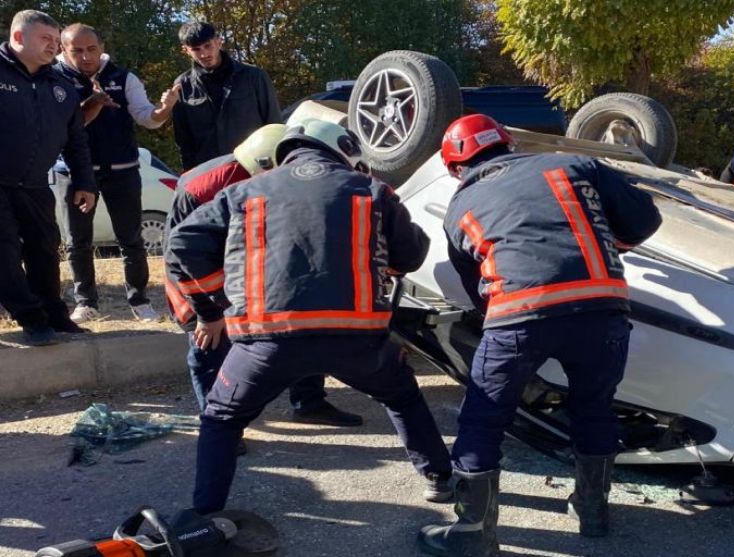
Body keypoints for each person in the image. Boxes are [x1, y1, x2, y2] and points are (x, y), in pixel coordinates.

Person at [165, 120, 452, 514]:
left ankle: (204, 516)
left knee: (221, 419)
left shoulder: (241, 192)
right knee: (402, 397)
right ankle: (439, 478)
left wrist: (212, 305)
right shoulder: (371, 191)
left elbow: (180, 245)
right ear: (346, 153)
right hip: (357, 339)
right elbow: (411, 255)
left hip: (266, 340)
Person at [418, 115, 662, 556]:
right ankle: (593, 513)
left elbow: (477, 288)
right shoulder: (571, 165)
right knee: (593, 408)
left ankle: (473, 534)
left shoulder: (460, 207)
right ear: (508, 143)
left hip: (518, 315)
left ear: (456, 167)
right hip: (602, 308)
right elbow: (644, 220)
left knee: (484, 418)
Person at [164, 123, 363, 440]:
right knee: (208, 345)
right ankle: (219, 425)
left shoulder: (283, 178)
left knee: (301, 328)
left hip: (251, 267)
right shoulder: (202, 189)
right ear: (267, 164)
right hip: (199, 272)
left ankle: (309, 403)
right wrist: (208, 313)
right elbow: (180, 255)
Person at [54, 23, 181, 323]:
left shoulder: (124, 78)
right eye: (77, 51)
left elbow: (148, 118)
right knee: (77, 241)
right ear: (63, 50)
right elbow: (57, 130)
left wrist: (164, 109)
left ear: (101, 47)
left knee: (131, 239)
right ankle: (86, 302)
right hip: (72, 173)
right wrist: (93, 105)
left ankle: (140, 300)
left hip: (122, 170)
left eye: (91, 49)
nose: (86, 57)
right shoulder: (53, 79)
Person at [0, 10, 96, 346]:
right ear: (17, 37)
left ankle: (54, 313)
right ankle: (31, 318)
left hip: (37, 183)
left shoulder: (61, 86)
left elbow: (77, 140)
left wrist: (85, 182)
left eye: (56, 41)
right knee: (5, 252)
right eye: (46, 39)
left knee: (45, 249)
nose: (53, 47)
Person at [171, 21, 280, 171]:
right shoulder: (182, 86)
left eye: (208, 45)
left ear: (219, 42)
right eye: (196, 49)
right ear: (186, 50)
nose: (204, 54)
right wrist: (189, 175)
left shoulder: (253, 76)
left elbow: (274, 125)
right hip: (209, 173)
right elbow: (183, 140)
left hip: (253, 168)